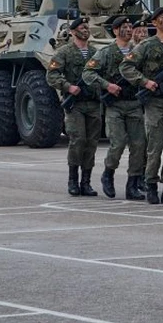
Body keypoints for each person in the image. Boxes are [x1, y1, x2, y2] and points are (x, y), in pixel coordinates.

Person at [120, 6, 163, 204]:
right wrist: (145, 82)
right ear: (154, 22)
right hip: (155, 102)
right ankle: (151, 184)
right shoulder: (146, 45)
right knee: (155, 145)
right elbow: (126, 67)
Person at [83, 16, 145, 200]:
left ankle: (133, 184)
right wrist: (106, 85)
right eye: (123, 27)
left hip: (135, 103)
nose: (128, 30)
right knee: (117, 143)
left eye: (129, 27)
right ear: (115, 31)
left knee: (139, 145)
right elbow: (88, 73)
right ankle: (108, 174)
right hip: (115, 106)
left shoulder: (138, 51)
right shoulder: (106, 53)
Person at [46, 18, 101, 197]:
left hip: (93, 103)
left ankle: (86, 182)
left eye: (87, 27)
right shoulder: (65, 52)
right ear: (72, 31)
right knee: (78, 140)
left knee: (91, 143)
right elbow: (52, 75)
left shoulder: (95, 53)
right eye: (81, 28)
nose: (85, 30)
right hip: (75, 104)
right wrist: (68, 87)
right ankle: (73, 180)